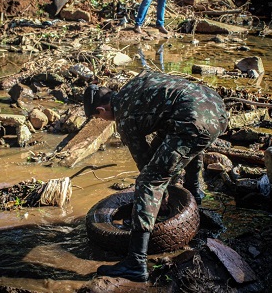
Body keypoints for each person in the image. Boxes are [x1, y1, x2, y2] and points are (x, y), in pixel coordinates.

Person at [83, 70, 228, 282]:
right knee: (179, 144)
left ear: (101, 109)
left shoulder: (124, 117)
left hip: (192, 121)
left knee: (147, 182)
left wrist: (161, 191)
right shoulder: (135, 84)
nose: (103, 121)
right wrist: (169, 180)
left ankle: (135, 262)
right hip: (215, 108)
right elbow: (160, 150)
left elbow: (145, 165)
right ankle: (195, 196)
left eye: (99, 118)